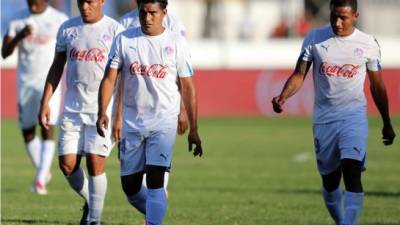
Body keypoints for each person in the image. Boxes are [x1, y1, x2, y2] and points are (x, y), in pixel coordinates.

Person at [272, 0, 396, 225]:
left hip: (354, 117)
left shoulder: (368, 44)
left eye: (344, 17)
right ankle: (341, 221)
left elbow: (377, 85)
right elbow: (299, 74)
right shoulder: (315, 39)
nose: (338, 23)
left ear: (355, 16)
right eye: (334, 16)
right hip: (324, 120)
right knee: (330, 182)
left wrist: (386, 121)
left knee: (352, 171)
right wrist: (283, 96)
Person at [97, 0, 203, 224]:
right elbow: (109, 79)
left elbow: (188, 87)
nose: (147, 18)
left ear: (164, 13)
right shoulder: (124, 39)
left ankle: (154, 218)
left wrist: (194, 128)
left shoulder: (176, 42)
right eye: (143, 13)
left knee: (156, 179)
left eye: (153, 13)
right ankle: (156, 209)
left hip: (163, 122)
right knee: (130, 187)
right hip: (133, 123)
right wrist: (102, 111)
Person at [38, 0, 124, 224]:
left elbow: (123, 77)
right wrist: (45, 101)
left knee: (95, 163)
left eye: (90, 1)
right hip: (72, 109)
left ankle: (93, 219)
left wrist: (120, 115)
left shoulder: (116, 31)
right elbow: (57, 66)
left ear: (102, 1)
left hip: (103, 111)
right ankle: (91, 200)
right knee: (67, 165)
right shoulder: (67, 28)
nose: (85, 6)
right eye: (80, 1)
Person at [119, 0, 188, 195]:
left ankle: (155, 203)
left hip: (163, 109)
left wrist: (182, 109)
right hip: (133, 111)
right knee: (131, 178)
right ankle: (153, 205)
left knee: (156, 166)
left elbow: (179, 70)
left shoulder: (174, 24)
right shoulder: (124, 24)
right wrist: (116, 115)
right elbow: (118, 75)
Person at [1, 0, 68, 195]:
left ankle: (39, 181)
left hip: (48, 83)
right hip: (25, 83)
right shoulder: (17, 19)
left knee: (47, 125)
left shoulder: (58, 20)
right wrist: (19, 37)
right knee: (27, 131)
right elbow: (4, 53)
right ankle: (43, 169)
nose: (32, 3)